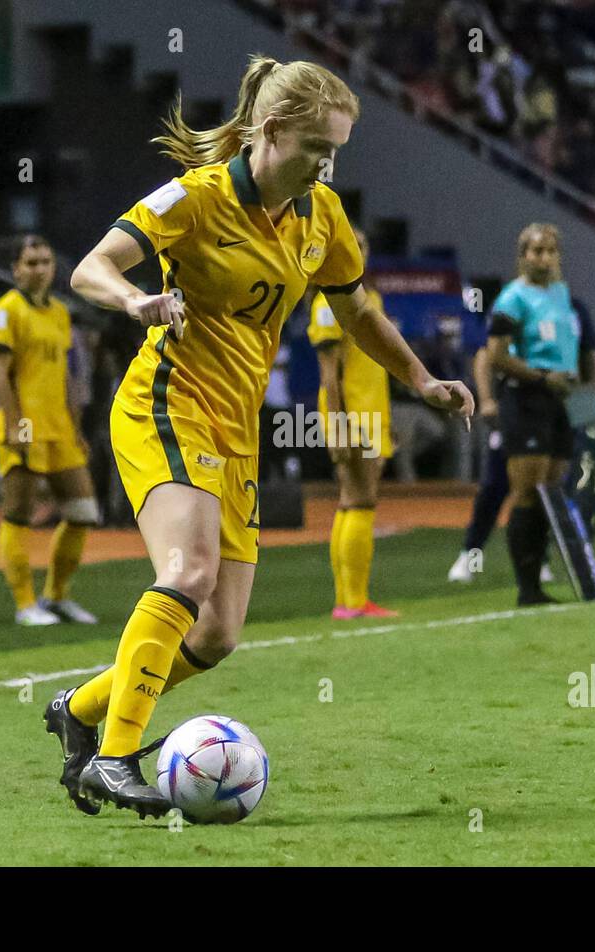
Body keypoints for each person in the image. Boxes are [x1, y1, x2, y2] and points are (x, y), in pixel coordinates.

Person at [46, 54, 473, 818]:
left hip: (236, 429)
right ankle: (112, 758)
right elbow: (90, 268)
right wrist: (136, 300)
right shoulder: (199, 198)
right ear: (271, 133)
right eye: (317, 148)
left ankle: (78, 711)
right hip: (165, 404)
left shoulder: (322, 216)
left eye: (336, 149)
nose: (327, 164)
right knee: (190, 568)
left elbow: (359, 312)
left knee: (216, 635)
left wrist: (421, 381)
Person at [448, 281, 595, 584]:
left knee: (552, 488)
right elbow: (487, 354)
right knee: (497, 483)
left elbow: (592, 357)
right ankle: (470, 553)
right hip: (520, 405)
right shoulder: (516, 301)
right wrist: (487, 399)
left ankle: (539, 558)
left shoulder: (573, 308)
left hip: (562, 408)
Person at [0, 235, 101, 626]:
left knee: (83, 511)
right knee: (18, 513)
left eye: (45, 262)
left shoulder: (59, 312)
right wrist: (17, 423)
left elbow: (68, 376)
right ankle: (24, 605)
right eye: (31, 263)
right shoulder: (7, 310)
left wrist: (76, 426)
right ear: (16, 269)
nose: (39, 269)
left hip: (59, 429)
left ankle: (55, 596)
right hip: (23, 428)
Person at [484, 223, 582, 606]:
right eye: (536, 250)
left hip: (559, 399)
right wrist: (543, 377)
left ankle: (538, 580)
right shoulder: (511, 299)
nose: (544, 257)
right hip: (526, 399)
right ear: (522, 255)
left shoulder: (560, 293)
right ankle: (526, 588)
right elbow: (496, 355)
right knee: (526, 490)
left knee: (550, 492)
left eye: (550, 250)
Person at [307, 227, 398, 620]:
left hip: (371, 413)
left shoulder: (366, 297)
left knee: (351, 501)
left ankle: (348, 600)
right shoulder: (329, 301)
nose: (357, 252)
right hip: (353, 416)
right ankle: (354, 600)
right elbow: (330, 372)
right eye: (351, 245)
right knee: (360, 499)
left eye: (362, 246)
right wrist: (341, 425)